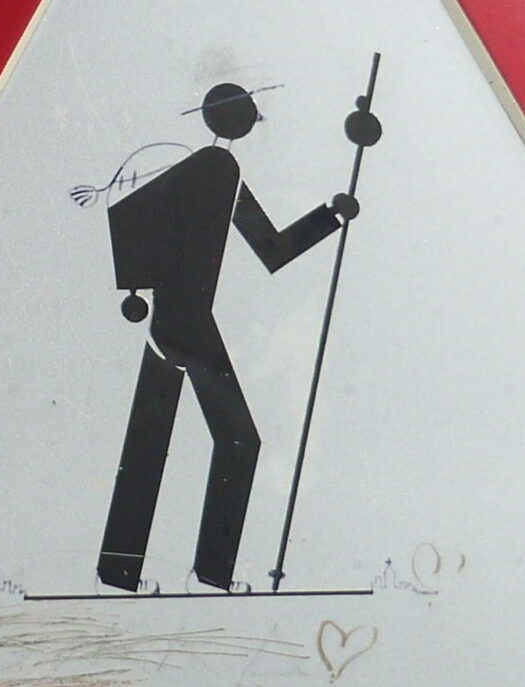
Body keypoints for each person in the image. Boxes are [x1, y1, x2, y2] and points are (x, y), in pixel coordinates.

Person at [96, 83, 358, 590]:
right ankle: (212, 572)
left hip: (171, 319)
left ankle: (119, 569)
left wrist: (138, 286)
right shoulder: (218, 168)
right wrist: (332, 215)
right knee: (238, 440)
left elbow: (269, 248)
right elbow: (271, 248)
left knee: (149, 439)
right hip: (189, 322)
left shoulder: (209, 169)